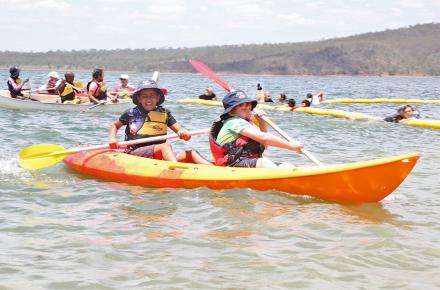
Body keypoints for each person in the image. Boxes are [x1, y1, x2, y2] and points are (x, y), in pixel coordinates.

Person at [109, 79, 211, 164]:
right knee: (166, 146)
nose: (148, 99)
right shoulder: (131, 113)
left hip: (158, 154)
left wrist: (184, 134)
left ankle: (215, 170)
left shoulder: (164, 113)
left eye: (152, 96)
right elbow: (115, 125)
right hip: (135, 153)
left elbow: (182, 132)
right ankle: (177, 171)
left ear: (158, 98)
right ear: (139, 98)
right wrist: (112, 138)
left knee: (191, 153)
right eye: (144, 96)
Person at [209, 90, 303, 168]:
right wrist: (291, 146)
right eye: (243, 109)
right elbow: (264, 137)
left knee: (287, 166)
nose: (248, 111)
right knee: (264, 162)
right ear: (231, 112)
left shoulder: (247, 124)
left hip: (245, 161)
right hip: (232, 164)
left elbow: (265, 145)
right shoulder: (235, 122)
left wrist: (262, 122)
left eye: (249, 108)